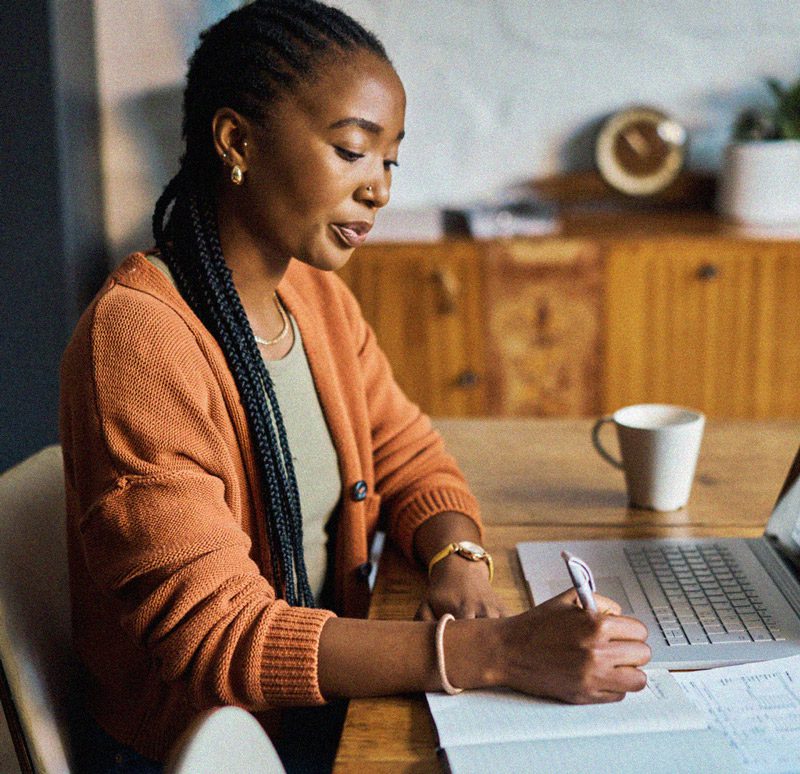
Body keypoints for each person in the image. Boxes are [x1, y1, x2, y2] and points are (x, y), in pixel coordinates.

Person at [59, 1, 651, 771]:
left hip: (315, 710)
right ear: (236, 140)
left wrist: (458, 562)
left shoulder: (316, 298)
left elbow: (409, 456)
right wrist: (491, 651)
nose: (378, 189)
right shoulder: (139, 341)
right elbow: (219, 637)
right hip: (209, 746)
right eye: (351, 150)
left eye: (389, 160)